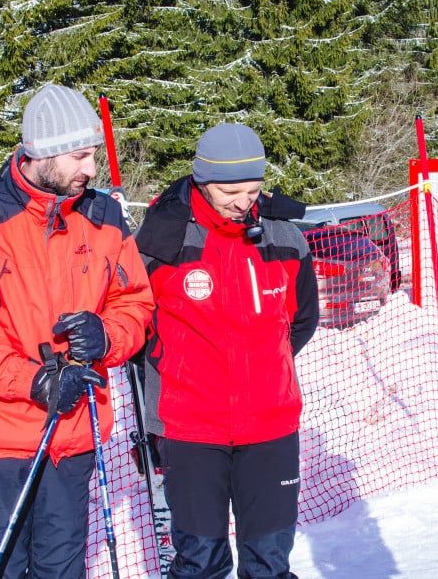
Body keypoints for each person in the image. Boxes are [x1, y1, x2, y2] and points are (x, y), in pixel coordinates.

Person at [0, 84, 155, 578]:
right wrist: (32, 380)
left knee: (62, 569)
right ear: (40, 154)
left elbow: (134, 303)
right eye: (79, 156)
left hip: (72, 436)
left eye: (92, 155)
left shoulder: (104, 215)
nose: (90, 170)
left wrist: (107, 335)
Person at [134, 123, 320, 579]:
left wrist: (263, 367)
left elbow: (302, 321)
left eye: (253, 190)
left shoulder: (283, 238)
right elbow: (136, 326)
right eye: (229, 190)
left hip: (270, 428)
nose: (243, 201)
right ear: (201, 181)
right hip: (192, 429)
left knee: (269, 565)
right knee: (199, 564)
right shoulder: (165, 239)